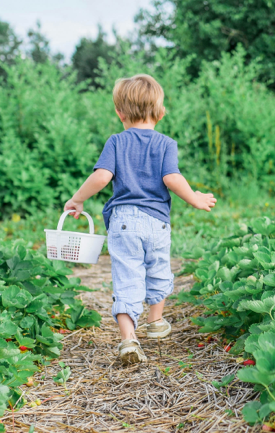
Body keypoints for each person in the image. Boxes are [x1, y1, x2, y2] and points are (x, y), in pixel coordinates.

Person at [63, 74, 216, 365]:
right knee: (158, 268)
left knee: (127, 278)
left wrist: (78, 198)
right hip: (157, 222)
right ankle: (156, 321)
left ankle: (128, 339)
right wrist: (195, 198)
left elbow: (102, 176)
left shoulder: (117, 141)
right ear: (160, 112)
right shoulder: (166, 143)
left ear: (119, 113)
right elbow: (171, 178)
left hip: (123, 222)